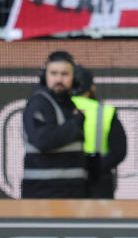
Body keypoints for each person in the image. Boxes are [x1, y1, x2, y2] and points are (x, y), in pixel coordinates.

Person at [22, 51, 88, 198]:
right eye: (53, 73)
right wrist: (75, 124)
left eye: (65, 74)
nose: (59, 79)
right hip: (43, 193)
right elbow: (43, 140)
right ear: (45, 77)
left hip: (70, 192)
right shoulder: (39, 103)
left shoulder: (69, 105)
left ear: (74, 78)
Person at [69, 66, 127, 199]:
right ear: (91, 88)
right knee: (97, 219)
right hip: (98, 182)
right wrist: (95, 168)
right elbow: (119, 151)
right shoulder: (105, 112)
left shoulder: (56, 109)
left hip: (65, 181)